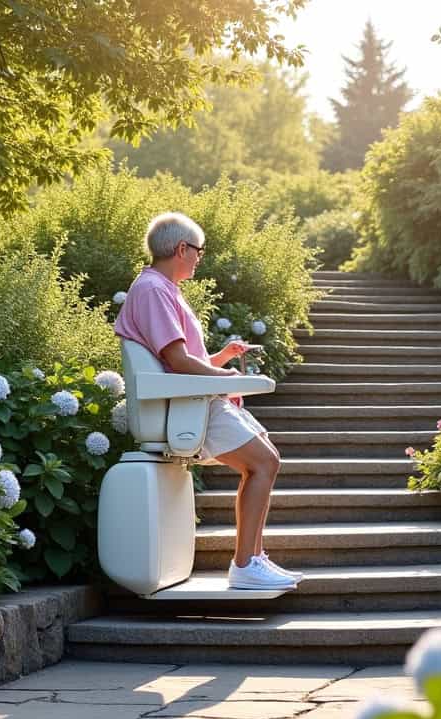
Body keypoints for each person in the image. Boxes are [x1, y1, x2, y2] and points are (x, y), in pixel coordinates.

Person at [114, 212, 302, 591]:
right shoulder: (153, 290)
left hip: (196, 396)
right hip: (192, 402)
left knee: (265, 459)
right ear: (181, 248)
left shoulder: (163, 289)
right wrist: (227, 378)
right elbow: (179, 361)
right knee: (263, 463)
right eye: (198, 251)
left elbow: (182, 361)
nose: (200, 258)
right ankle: (246, 564)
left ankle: (253, 559)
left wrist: (222, 359)